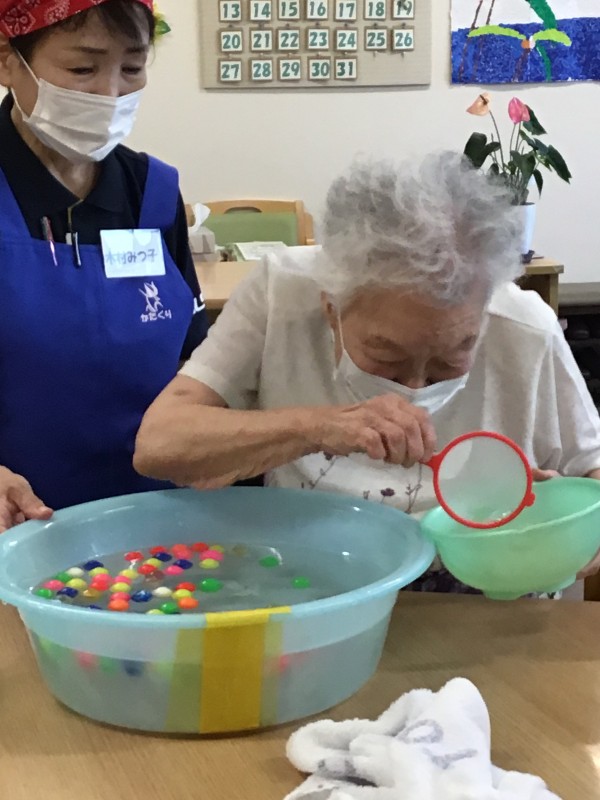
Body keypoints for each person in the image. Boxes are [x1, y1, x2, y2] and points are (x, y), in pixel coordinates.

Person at [134, 152, 600, 586]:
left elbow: (592, 468)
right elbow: (159, 445)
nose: (414, 387)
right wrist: (317, 427)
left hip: (489, 590)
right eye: (387, 358)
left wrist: (574, 520)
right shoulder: (283, 292)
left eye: (450, 358)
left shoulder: (526, 328)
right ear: (331, 308)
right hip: (315, 583)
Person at [0, 0, 209, 531]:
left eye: (132, 68)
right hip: (21, 522)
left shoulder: (152, 191)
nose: (110, 94)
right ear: (6, 60)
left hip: (158, 521)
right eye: (82, 68)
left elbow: (197, 358)